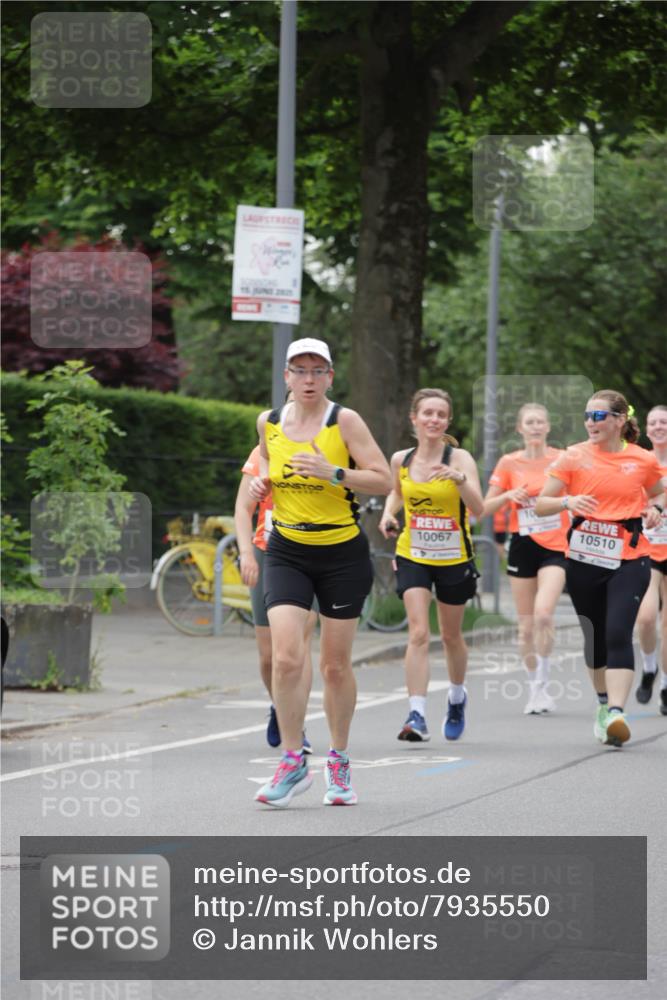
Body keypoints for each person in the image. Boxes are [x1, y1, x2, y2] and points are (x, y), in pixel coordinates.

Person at [249, 338, 392, 808]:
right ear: (286, 377)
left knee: (333, 666)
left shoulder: (343, 421)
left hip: (341, 554)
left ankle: (339, 760)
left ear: (330, 376)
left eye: (318, 371)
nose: (308, 380)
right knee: (287, 658)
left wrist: (334, 473)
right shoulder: (268, 422)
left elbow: (383, 478)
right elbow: (266, 468)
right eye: (300, 370)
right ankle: (293, 760)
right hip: (287, 548)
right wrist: (261, 480)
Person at [536, 390, 665, 747]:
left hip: (630, 557)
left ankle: (618, 713)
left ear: (620, 420)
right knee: (595, 640)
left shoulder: (641, 459)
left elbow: (659, 493)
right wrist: (567, 500)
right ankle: (604, 703)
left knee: (618, 632)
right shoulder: (573, 456)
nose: (590, 423)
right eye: (587, 416)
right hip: (584, 560)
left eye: (599, 416)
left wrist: (657, 509)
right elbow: (542, 504)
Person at [379, 388, 483, 743]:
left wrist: (460, 481)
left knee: (451, 636)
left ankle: (456, 697)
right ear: (414, 418)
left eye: (441, 414)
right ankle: (417, 714)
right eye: (428, 413)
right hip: (413, 554)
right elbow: (396, 491)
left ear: (448, 421)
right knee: (419, 633)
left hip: (454, 557)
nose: (434, 420)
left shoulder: (460, 459)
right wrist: (389, 514)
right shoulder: (401, 460)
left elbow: (480, 509)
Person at [483, 404, 568, 715]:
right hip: (523, 544)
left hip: (556, 546)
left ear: (548, 427)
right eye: (529, 422)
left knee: (544, 614)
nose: (534, 427)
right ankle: (534, 688)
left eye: (540, 422)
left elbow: (582, 493)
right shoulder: (509, 462)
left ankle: (544, 684)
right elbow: (484, 507)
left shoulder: (563, 459)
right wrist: (509, 496)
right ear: (520, 429)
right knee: (527, 625)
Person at [234, 434, 317, 752]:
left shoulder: (326, 448)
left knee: (298, 646)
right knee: (270, 655)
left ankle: (296, 724)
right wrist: (245, 554)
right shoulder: (261, 451)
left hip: (309, 556)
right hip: (267, 554)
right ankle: (278, 704)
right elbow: (243, 509)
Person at [635, 405, 667, 714]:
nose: (659, 427)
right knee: (645, 618)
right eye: (653, 422)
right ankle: (648, 667)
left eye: (664, 422)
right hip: (647, 550)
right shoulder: (640, 463)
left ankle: (666, 686)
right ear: (646, 429)